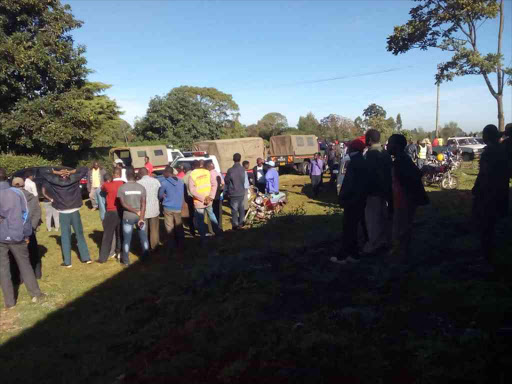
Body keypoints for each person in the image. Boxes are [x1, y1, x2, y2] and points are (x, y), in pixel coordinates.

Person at [0, 168, 46, 309]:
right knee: (24, 264)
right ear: (7, 178)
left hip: (1, 236)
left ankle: (9, 302)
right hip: (17, 234)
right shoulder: (18, 193)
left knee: (3, 268)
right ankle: (35, 294)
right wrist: (27, 235)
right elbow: (25, 215)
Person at [387, 134, 429, 263]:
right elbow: (417, 173)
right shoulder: (402, 159)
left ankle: (401, 257)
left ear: (396, 146)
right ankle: (402, 253)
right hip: (402, 200)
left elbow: (412, 178)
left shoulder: (401, 161)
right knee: (403, 227)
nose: (387, 146)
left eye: (390, 143)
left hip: (404, 201)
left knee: (401, 229)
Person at [472, 124, 509, 264]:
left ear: (487, 136)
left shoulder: (489, 153)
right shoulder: (502, 150)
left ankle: (486, 257)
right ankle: (491, 252)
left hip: (487, 194)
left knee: (485, 225)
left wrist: (477, 188)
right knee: (493, 224)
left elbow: (485, 174)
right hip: (500, 191)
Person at [41, 167, 92, 267]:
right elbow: (85, 169)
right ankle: (86, 258)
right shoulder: (73, 179)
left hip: (63, 212)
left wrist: (57, 172)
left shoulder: (55, 181)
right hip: (74, 211)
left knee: (65, 236)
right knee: (79, 234)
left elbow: (43, 171)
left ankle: (68, 262)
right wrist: (71, 171)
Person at [331, 140, 369, 264]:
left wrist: (342, 198)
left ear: (351, 149)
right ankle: (354, 254)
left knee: (348, 228)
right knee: (354, 228)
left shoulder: (354, 162)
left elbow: (348, 184)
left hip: (352, 200)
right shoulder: (363, 160)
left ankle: (344, 256)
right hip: (360, 199)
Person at [363, 129, 392, 255]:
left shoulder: (371, 153)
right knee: (383, 217)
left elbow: (368, 174)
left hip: (373, 191)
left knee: (372, 219)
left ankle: (374, 245)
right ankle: (384, 241)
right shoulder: (385, 153)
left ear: (369, 140)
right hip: (385, 191)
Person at [11, 177, 42, 279]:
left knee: (16, 254)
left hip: (15, 230)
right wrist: (32, 227)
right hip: (29, 229)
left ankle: (18, 278)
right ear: (24, 185)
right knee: (33, 253)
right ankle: (37, 274)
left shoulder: (9, 197)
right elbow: (37, 212)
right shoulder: (32, 197)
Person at [117, 169, 149, 266]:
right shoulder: (141, 187)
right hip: (140, 215)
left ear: (126, 176)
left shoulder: (122, 188)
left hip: (127, 216)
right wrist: (141, 217)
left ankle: (126, 261)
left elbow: (123, 204)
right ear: (134, 176)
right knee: (144, 238)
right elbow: (143, 204)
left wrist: (134, 211)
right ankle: (147, 258)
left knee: (127, 239)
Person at [189, 160, 221, 241]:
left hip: (199, 202)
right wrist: (210, 196)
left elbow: (192, 190)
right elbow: (215, 184)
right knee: (211, 215)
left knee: (200, 220)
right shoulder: (207, 172)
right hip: (209, 200)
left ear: (193, 166)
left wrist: (203, 198)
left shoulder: (192, 174)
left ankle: (203, 238)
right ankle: (217, 233)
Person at [97, 171, 124, 264]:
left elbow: (102, 187)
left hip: (111, 211)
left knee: (107, 235)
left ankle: (103, 257)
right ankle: (119, 252)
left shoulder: (106, 185)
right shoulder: (120, 183)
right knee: (119, 234)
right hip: (120, 210)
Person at [159, 166, 185, 259]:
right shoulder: (181, 181)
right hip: (178, 207)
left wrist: (164, 196)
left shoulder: (164, 183)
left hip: (168, 208)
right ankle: (181, 245)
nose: (163, 174)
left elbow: (160, 195)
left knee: (169, 227)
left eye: (164, 173)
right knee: (179, 226)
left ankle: (171, 246)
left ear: (167, 173)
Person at [137, 167, 161, 250]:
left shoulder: (138, 183)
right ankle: (155, 246)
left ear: (140, 174)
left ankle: (145, 246)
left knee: (144, 230)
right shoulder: (156, 181)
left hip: (143, 210)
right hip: (154, 208)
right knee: (154, 229)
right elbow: (159, 193)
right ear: (148, 173)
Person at [224, 153, 246, 230]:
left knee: (234, 210)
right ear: (240, 159)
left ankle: (235, 225)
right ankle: (241, 223)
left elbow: (226, 181)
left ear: (233, 159)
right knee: (241, 208)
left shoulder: (230, 170)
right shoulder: (243, 169)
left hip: (233, 193)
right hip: (241, 192)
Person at [207, 160, 224, 230]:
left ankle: (212, 229)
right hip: (218, 196)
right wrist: (220, 191)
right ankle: (220, 227)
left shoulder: (208, 174)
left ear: (208, 167)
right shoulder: (218, 173)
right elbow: (223, 184)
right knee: (218, 212)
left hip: (211, 196)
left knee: (211, 213)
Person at [183, 161, 197, 237]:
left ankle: (192, 232)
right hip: (199, 197)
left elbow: (184, 191)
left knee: (191, 215)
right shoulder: (196, 174)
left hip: (190, 198)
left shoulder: (184, 178)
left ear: (184, 170)